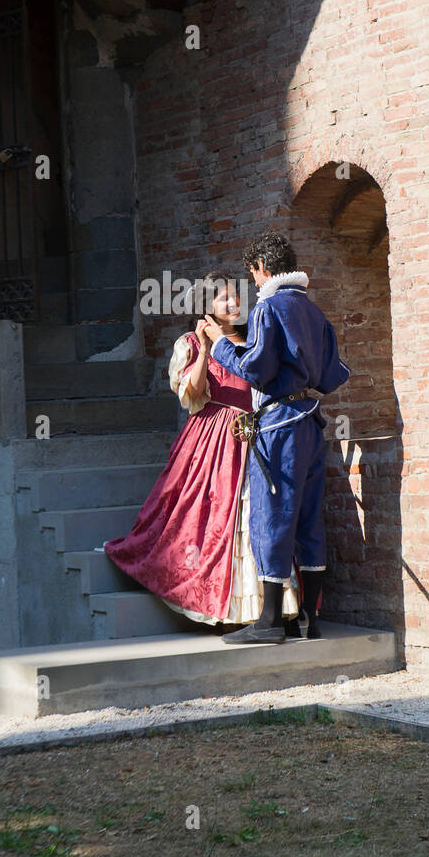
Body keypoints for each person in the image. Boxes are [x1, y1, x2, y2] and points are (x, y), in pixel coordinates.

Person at [103, 272, 300, 626]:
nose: (234, 303)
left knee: (258, 514)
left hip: (254, 435)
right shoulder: (191, 344)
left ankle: (267, 610)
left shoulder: (252, 339)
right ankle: (226, 608)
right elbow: (191, 395)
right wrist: (207, 347)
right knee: (210, 516)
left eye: (236, 297)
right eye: (225, 298)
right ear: (207, 306)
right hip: (213, 437)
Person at [203, 232, 350, 645]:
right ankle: (312, 619)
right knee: (308, 517)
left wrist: (220, 346)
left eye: (252, 274)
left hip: (279, 424)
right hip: (311, 422)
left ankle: (268, 623)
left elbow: (258, 368)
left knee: (272, 516)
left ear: (263, 268)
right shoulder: (313, 310)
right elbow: (333, 373)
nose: (252, 283)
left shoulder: (269, 306)